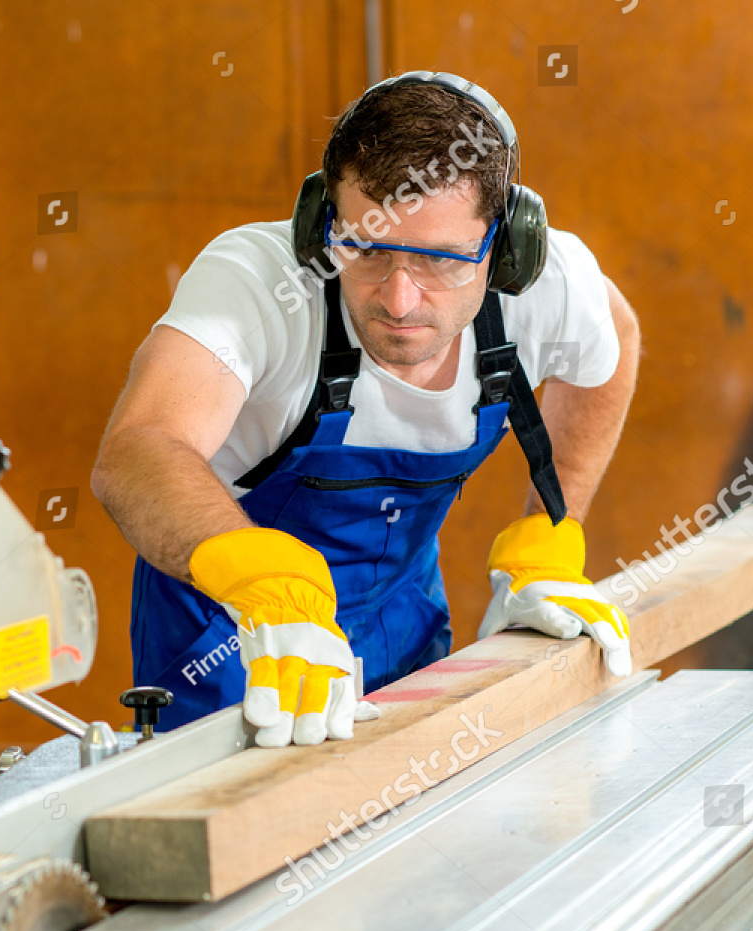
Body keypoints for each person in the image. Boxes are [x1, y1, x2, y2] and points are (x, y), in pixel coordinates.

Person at [92, 72, 639, 747]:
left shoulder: (549, 286)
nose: (399, 299)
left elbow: (613, 345)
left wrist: (553, 535)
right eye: (366, 247)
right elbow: (138, 447)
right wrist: (265, 586)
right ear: (320, 222)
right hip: (239, 640)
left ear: (507, 246)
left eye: (441, 260)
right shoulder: (257, 284)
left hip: (401, 619)